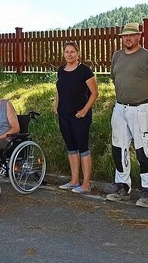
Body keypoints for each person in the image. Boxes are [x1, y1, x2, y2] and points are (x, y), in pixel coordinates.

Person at [106, 22, 148, 208]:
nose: (128, 39)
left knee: (144, 150)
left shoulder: (147, 57)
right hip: (120, 108)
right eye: (125, 36)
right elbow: (115, 78)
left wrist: (145, 95)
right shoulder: (117, 56)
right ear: (122, 38)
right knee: (119, 147)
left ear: (139, 37)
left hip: (141, 109)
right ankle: (122, 187)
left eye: (132, 36)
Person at [54, 41, 98, 194]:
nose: (69, 54)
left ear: (78, 53)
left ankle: (86, 183)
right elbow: (60, 91)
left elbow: (94, 93)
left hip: (80, 116)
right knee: (71, 147)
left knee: (83, 147)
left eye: (72, 51)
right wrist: (56, 105)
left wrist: (85, 110)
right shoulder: (61, 70)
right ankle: (74, 180)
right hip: (64, 115)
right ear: (63, 53)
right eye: (67, 51)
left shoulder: (85, 71)